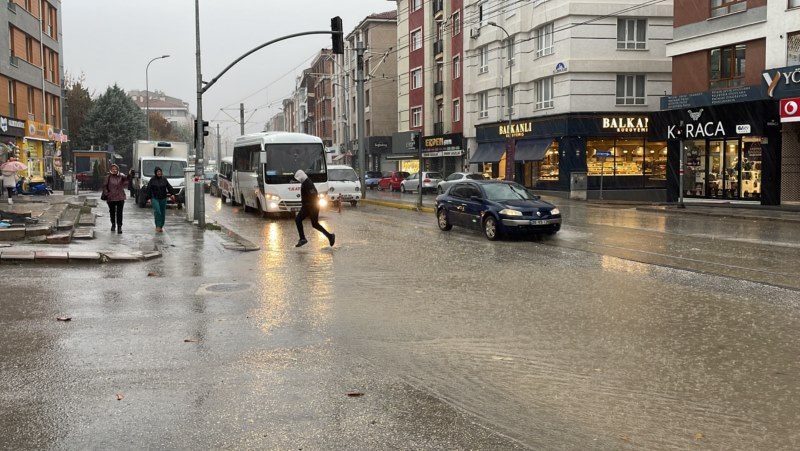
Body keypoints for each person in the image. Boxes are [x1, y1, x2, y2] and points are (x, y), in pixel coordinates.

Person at [293, 169, 335, 248]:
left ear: (301, 177)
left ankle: (302, 238)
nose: (298, 181)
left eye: (298, 179)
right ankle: (330, 236)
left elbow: (313, 195)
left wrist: (309, 207)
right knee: (315, 224)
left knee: (298, 220)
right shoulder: (305, 182)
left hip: (311, 206)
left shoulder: (308, 183)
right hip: (310, 206)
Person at [146, 166, 176, 233]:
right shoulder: (152, 180)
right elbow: (148, 189)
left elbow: (169, 187)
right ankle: (158, 226)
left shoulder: (164, 179)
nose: (159, 173)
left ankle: (161, 225)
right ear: (155, 173)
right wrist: (148, 198)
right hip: (154, 198)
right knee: (157, 211)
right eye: (157, 172)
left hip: (163, 198)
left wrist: (172, 194)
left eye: (160, 172)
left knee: (162, 212)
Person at [101, 164, 128, 233]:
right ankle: (113, 224)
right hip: (111, 198)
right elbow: (104, 186)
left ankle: (119, 226)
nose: (114, 170)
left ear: (118, 170)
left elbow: (127, 179)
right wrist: (107, 194)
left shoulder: (121, 177)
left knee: (119, 213)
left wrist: (130, 174)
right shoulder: (108, 177)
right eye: (113, 169)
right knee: (112, 212)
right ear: (111, 170)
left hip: (120, 197)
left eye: (115, 169)